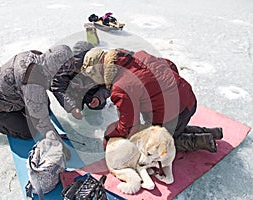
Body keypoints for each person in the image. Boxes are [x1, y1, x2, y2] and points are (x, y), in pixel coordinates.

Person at [81, 48, 223, 152]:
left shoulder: (121, 87)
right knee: (174, 128)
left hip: (173, 112)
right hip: (188, 98)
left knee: (155, 145)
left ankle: (199, 141)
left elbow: (129, 125)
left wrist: (109, 137)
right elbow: (170, 65)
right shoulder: (139, 55)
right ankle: (212, 132)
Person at [0, 45, 74, 141]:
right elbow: (40, 120)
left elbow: (54, 82)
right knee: (29, 132)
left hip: (13, 94)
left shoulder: (41, 57)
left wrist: (71, 107)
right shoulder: (31, 80)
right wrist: (58, 143)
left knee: (43, 105)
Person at [52, 41, 110, 121]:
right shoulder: (66, 67)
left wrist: (99, 97)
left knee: (97, 109)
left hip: (92, 93)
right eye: (78, 70)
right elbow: (58, 87)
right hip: (74, 93)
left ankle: (95, 112)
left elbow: (108, 86)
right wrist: (72, 107)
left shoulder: (101, 67)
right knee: (77, 106)